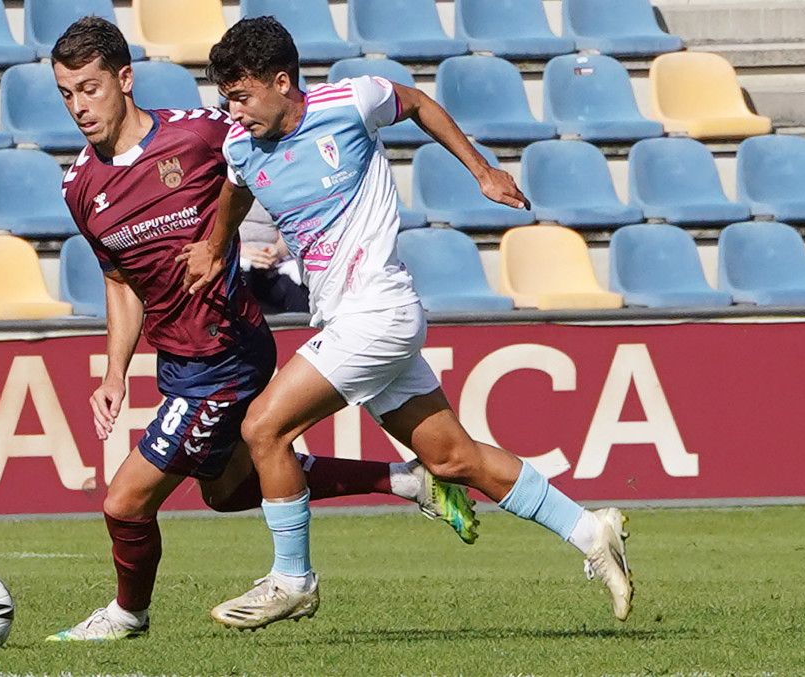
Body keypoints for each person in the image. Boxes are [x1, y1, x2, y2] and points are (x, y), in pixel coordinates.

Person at [182, 17, 634, 631]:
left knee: (264, 427)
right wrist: (213, 244)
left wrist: (482, 172)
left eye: (240, 96)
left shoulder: (350, 102)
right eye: (225, 98)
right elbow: (236, 190)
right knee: (453, 460)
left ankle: (293, 580)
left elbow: (417, 102)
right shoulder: (242, 145)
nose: (233, 111)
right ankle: (591, 531)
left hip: (378, 308)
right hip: (350, 317)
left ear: (281, 82)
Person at [46, 16, 479, 642]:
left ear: (124, 78)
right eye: (66, 94)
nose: (79, 106)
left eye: (89, 88)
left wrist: (296, 223)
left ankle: (127, 615)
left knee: (124, 502)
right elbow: (119, 282)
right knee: (225, 491)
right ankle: (406, 478)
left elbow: (276, 131)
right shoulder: (80, 184)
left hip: (226, 354)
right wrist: (115, 371)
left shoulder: (199, 134)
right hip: (179, 361)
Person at [239, 200, 310, 313]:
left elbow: (292, 227)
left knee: (297, 292)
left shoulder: (279, 189)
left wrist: (277, 251)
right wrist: (240, 251)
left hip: (275, 263)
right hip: (237, 258)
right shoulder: (223, 188)